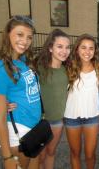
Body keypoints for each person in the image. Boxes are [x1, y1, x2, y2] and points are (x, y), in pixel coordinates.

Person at [0, 15, 41, 169]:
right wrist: (7, 156)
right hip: (18, 133)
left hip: (33, 130)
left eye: (29, 37)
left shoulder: (22, 61)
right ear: (8, 34)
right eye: (20, 34)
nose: (25, 41)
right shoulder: (1, 68)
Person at [63, 34, 99, 169]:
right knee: (75, 153)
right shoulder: (68, 67)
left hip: (92, 116)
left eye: (91, 48)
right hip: (71, 117)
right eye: (83, 48)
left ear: (95, 51)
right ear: (77, 49)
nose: (87, 52)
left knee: (90, 154)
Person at [36, 29, 71, 169]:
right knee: (40, 155)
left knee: (51, 152)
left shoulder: (67, 70)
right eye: (59, 46)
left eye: (67, 47)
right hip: (40, 121)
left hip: (57, 121)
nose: (64, 51)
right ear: (50, 48)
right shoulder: (38, 68)